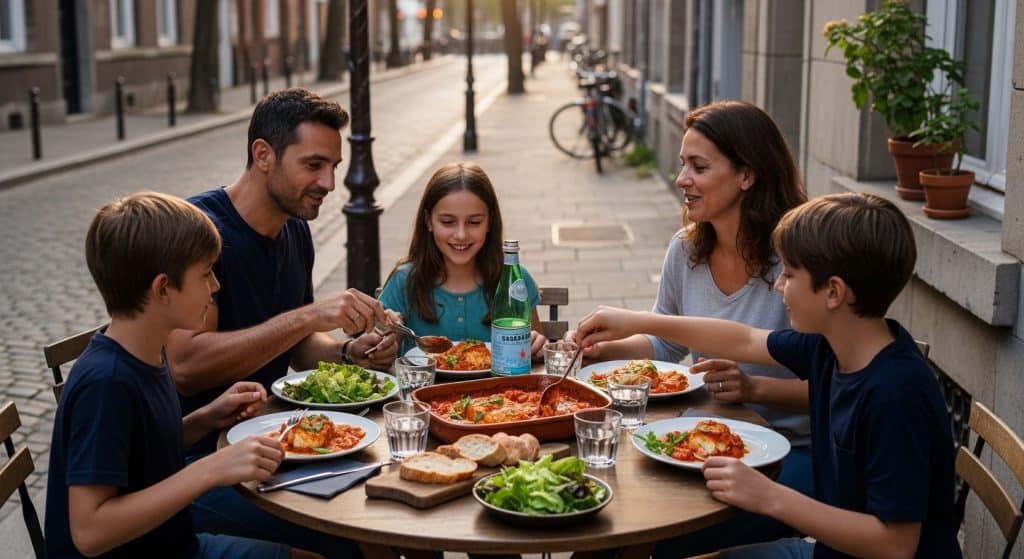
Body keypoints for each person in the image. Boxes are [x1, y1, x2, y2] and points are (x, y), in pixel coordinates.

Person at [576, 193, 962, 558]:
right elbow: (743, 340)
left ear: (833, 293)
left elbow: (895, 546)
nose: (779, 286)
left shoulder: (895, 394)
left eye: (790, 274)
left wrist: (768, 497)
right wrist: (637, 321)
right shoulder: (833, 347)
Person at [570, 100, 810, 554]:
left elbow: (838, 385)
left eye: (698, 167)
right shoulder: (686, 249)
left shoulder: (797, 265)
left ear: (747, 174)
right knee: (602, 516)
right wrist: (607, 349)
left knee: (641, 531)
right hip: (708, 440)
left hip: (794, 454)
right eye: (683, 165)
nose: (682, 180)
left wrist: (753, 388)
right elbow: (664, 344)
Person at [165, 88, 394, 558]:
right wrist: (309, 315)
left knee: (391, 505)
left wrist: (348, 352)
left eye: (333, 166)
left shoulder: (294, 230)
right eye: (314, 165)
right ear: (263, 155)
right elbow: (185, 364)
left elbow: (297, 344)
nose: (330, 182)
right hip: (192, 464)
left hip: (273, 442)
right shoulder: (198, 233)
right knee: (362, 535)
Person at [45, 192, 319, 558]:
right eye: (206, 274)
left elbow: (142, 456)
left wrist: (205, 419)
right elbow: (90, 530)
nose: (216, 287)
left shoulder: (144, 354)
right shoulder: (107, 383)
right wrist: (210, 470)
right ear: (163, 289)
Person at [379, 162, 547, 359]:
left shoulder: (513, 279)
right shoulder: (405, 280)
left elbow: (537, 349)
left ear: (490, 222)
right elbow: (377, 349)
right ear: (428, 221)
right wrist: (385, 334)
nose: (460, 234)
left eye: (474, 222)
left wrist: (536, 347)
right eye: (448, 222)